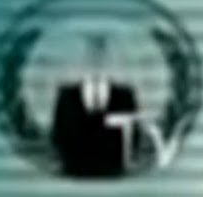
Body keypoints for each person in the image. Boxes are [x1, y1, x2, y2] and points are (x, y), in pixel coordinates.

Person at [49, 34, 139, 178]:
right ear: (81, 61)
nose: (96, 62)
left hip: (113, 171)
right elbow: (57, 133)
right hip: (73, 170)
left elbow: (133, 138)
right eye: (91, 56)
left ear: (110, 60)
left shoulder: (125, 95)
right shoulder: (66, 95)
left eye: (101, 56)